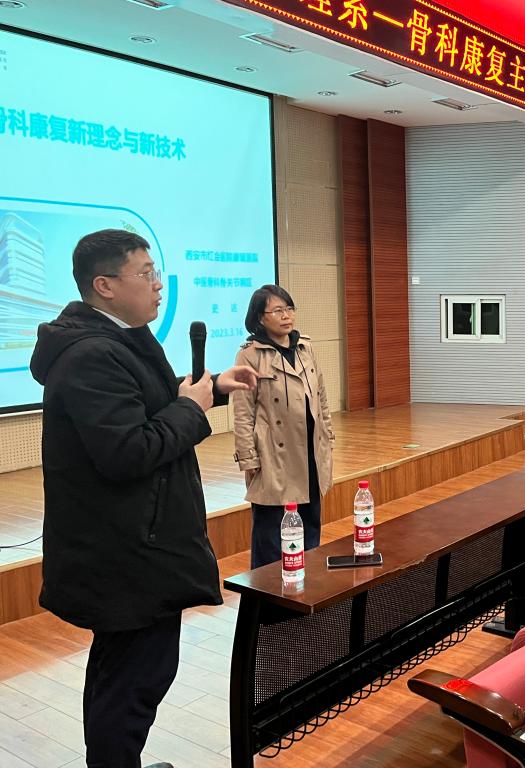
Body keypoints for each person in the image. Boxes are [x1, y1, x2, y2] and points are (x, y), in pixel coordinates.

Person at [29, 229, 257, 767]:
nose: (159, 285)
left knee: (122, 674)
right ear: (104, 286)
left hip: (133, 545)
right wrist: (192, 409)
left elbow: (144, 403)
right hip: (125, 553)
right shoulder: (91, 356)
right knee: (134, 680)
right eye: (147, 273)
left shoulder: (115, 341)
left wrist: (211, 387)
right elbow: (127, 451)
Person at [233, 285, 335, 568]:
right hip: (273, 455)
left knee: (310, 525)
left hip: (310, 451)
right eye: (278, 310)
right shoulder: (250, 355)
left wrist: (328, 437)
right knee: (271, 534)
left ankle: (308, 580)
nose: (286, 315)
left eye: (289, 308)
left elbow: (321, 397)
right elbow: (243, 411)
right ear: (260, 317)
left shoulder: (305, 347)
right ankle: (266, 589)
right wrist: (248, 458)